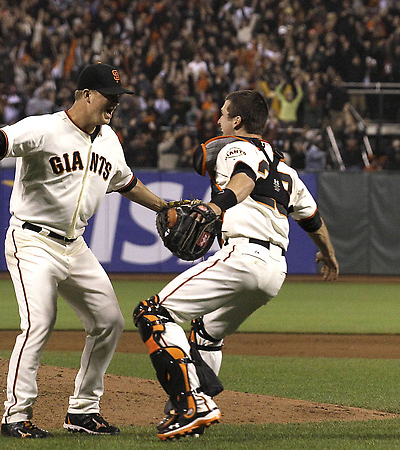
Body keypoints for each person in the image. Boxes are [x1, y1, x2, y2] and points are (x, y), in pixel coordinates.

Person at [0, 63, 168, 439]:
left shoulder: (109, 139)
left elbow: (127, 182)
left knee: (109, 322)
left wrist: (164, 206)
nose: (114, 104)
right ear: (84, 95)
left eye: (118, 98)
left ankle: (82, 410)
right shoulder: (44, 127)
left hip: (75, 246)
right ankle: (15, 416)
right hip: (32, 241)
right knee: (39, 322)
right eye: (108, 97)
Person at [133, 90, 339, 441]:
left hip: (242, 256)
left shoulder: (234, 147)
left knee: (152, 313)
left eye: (224, 114)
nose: (219, 120)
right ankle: (198, 410)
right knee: (207, 332)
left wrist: (217, 207)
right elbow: (312, 220)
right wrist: (329, 254)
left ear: (237, 121)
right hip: (275, 272)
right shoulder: (287, 170)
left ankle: (191, 403)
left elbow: (243, 177)